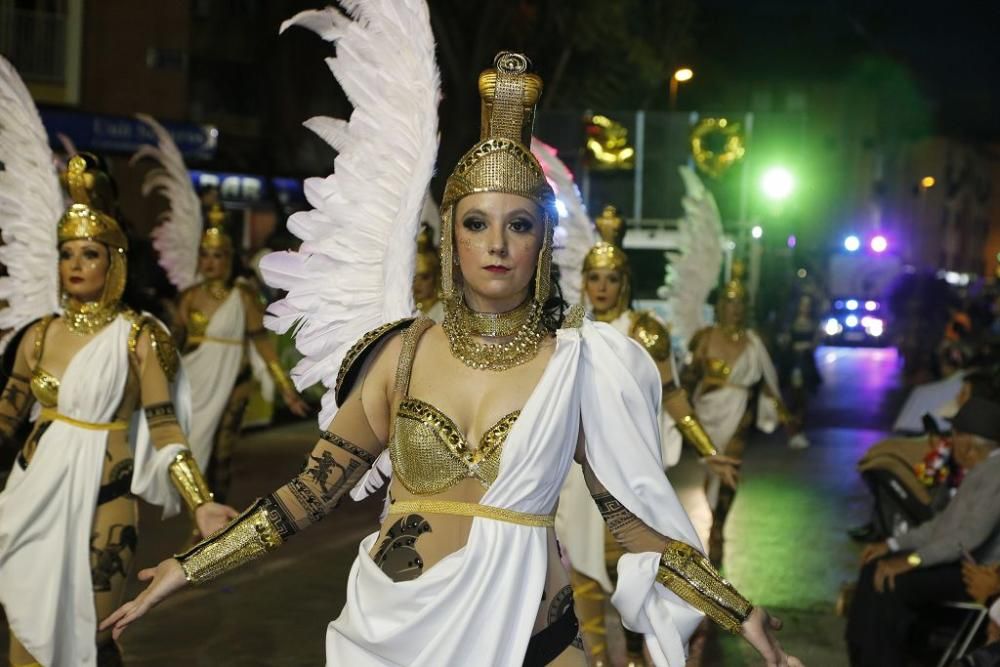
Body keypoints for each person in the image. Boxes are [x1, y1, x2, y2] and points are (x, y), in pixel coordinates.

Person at [101, 20, 798, 667]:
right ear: (450, 236)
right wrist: (187, 568)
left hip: (539, 638)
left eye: (519, 225)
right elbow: (304, 497)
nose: (496, 243)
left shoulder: (582, 365)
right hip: (398, 637)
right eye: (476, 223)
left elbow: (634, 526)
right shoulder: (397, 355)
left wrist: (740, 610)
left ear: (542, 245)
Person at [0, 155, 237, 667]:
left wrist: (200, 502)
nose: (76, 265)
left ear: (114, 262)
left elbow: (164, 426)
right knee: (24, 637)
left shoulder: (137, 337)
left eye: (90, 253)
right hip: (28, 500)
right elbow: (5, 418)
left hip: (104, 501)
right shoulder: (37, 336)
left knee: (97, 636)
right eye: (67, 254)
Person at [557, 203, 739, 666]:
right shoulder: (569, 329)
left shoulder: (645, 331)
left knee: (633, 573)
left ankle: (638, 658)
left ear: (625, 281)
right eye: (593, 278)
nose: (601, 287)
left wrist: (709, 451)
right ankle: (597, 659)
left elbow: (673, 394)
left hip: (626, 469)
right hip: (578, 473)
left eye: (611, 278)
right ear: (583, 280)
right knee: (581, 574)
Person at [847, 396, 1000, 666]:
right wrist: (893, 545)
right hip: (955, 562)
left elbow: (967, 537)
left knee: (893, 582)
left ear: (967, 442)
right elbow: (941, 525)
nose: (950, 442)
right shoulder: (981, 471)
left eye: (953, 435)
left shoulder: (995, 474)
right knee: (875, 566)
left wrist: (912, 560)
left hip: (975, 573)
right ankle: (862, 656)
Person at [172, 203, 309, 502]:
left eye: (217, 255)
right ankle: (199, 518)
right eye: (205, 256)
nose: (210, 263)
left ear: (229, 259)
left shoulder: (242, 296)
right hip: (193, 386)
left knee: (220, 454)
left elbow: (263, 346)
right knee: (191, 456)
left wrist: (286, 389)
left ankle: (216, 514)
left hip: (233, 385)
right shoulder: (189, 297)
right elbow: (174, 346)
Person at [682, 263, 791, 565]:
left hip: (738, 421)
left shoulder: (755, 343)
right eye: (729, 302)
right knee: (710, 478)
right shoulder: (704, 338)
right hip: (707, 419)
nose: (735, 308)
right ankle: (712, 528)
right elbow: (687, 382)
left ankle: (719, 531)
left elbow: (766, 385)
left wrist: (784, 415)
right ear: (720, 305)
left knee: (729, 476)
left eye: (740, 303)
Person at [778, 294, 821, 450]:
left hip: (806, 364)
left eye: (808, 305)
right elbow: (786, 342)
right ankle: (792, 432)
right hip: (793, 364)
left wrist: (809, 345)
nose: (805, 308)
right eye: (803, 304)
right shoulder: (791, 324)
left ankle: (800, 431)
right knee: (793, 399)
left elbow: (815, 342)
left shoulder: (813, 324)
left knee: (804, 399)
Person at [413, 222, 443, 321]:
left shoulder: (444, 311)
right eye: (413, 278)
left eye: (425, 277)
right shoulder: (403, 306)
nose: (418, 284)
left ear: (435, 278)